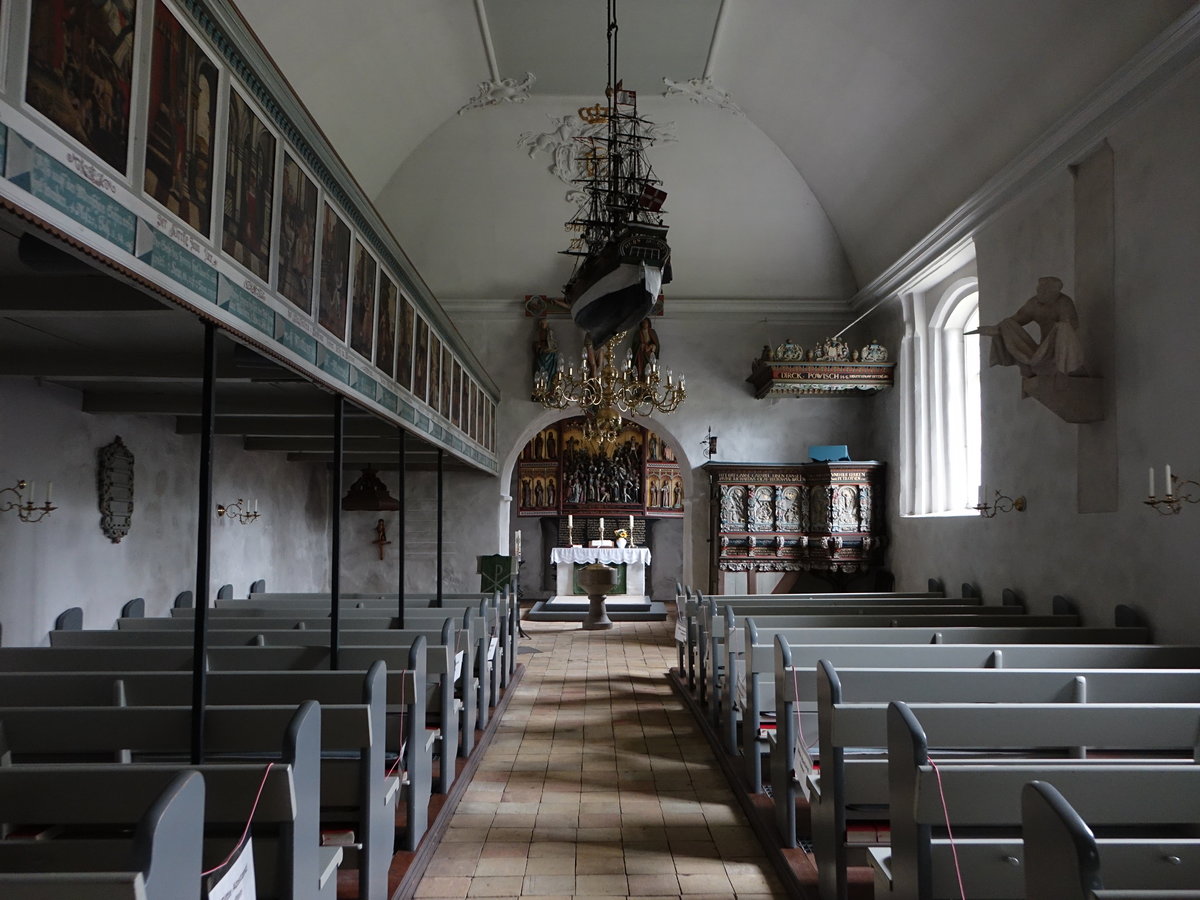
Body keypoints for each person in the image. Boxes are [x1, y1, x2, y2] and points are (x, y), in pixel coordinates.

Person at [968, 276, 1086, 377]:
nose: (1040, 293)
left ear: (1055, 292)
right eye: (1039, 289)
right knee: (1006, 324)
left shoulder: (1064, 303)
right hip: (1042, 349)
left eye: (1045, 290)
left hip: (1060, 348)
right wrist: (994, 329)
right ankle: (1030, 363)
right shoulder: (1034, 303)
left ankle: (1064, 367)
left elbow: (1071, 328)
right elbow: (1016, 320)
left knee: (1063, 328)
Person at [532, 317, 558, 386]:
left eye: (544, 323)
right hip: (541, 353)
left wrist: (548, 347)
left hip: (549, 352)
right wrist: (538, 346)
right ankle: (540, 386)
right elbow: (536, 343)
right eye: (541, 324)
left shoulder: (549, 331)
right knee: (539, 369)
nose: (543, 325)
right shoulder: (539, 332)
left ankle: (548, 386)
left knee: (550, 373)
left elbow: (552, 343)